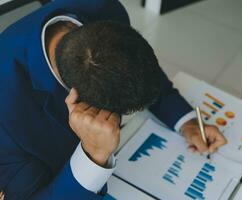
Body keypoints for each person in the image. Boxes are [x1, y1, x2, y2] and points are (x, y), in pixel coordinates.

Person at [0, 0, 227, 199]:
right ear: (76, 98)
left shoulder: (103, 8)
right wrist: (94, 154)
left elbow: (135, 71)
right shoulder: (6, 117)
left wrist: (185, 121)